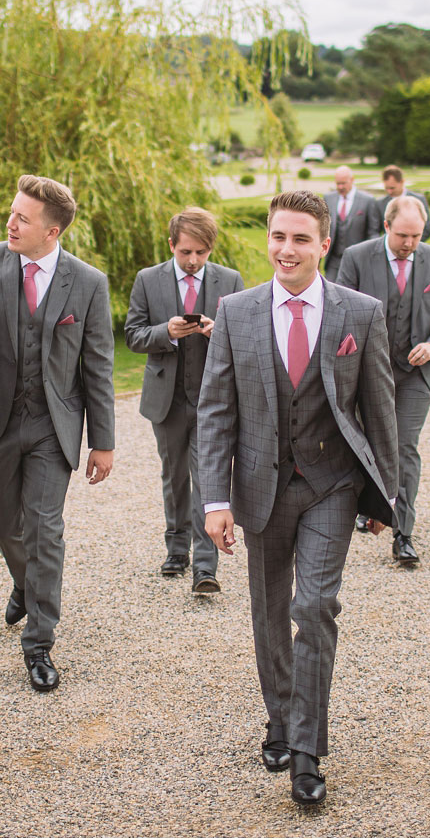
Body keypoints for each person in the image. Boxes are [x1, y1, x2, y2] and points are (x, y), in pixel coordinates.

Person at [197, 190, 398, 807]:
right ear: (268, 239)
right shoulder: (235, 311)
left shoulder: (360, 314)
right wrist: (213, 501)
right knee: (267, 612)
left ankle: (307, 752)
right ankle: (279, 719)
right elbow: (215, 410)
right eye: (279, 237)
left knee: (314, 607)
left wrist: (385, 498)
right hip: (258, 486)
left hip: (331, 485)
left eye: (301, 239)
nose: (287, 250)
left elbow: (379, 408)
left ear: (325, 244)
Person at [0, 174, 115, 693]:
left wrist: (103, 441)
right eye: (11, 213)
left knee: (44, 526)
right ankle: (24, 582)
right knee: (3, 523)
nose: (9, 223)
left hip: (55, 424)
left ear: (51, 232)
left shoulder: (89, 283)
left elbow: (97, 366)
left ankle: (39, 643)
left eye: (22, 218)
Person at [337, 196, 430, 566]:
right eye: (403, 235)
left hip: (414, 375)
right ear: (386, 227)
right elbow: (339, 309)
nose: (410, 244)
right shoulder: (357, 257)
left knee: (404, 447)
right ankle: (367, 506)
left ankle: (403, 534)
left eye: (417, 236)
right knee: (366, 444)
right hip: (366, 372)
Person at [124, 207, 244, 593]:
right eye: (186, 252)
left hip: (214, 400)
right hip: (167, 400)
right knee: (174, 477)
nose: (193, 261)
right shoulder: (147, 280)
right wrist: (167, 332)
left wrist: (216, 333)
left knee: (209, 478)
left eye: (201, 253)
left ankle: (205, 567)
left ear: (211, 249)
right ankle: (176, 550)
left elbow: (245, 338)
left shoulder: (231, 280)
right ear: (172, 244)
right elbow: (132, 335)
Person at [322, 165, 381, 282]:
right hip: (333, 261)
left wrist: (371, 257)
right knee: (328, 294)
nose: (340, 187)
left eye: (343, 183)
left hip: (358, 260)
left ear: (352, 180)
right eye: (338, 183)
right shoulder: (328, 198)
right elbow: (321, 230)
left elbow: (373, 232)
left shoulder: (368, 201)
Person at [378, 165, 430, 241]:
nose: (389, 191)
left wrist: (409, 244)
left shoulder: (419, 200)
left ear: (402, 182)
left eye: (392, 188)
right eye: (386, 188)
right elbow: (375, 230)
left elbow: (427, 230)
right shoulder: (380, 203)